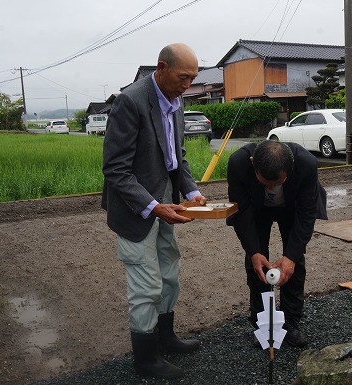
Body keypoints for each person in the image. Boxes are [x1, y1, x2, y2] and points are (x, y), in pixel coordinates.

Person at [102, 43, 205, 379]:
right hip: (137, 208)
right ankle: (145, 358)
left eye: (193, 78)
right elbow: (115, 169)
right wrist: (153, 206)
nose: (187, 84)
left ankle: (166, 337)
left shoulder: (175, 101)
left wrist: (191, 190)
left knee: (169, 271)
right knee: (146, 283)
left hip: (166, 199)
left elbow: (177, 155)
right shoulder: (130, 102)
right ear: (161, 68)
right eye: (183, 77)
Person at [226, 140, 327, 347]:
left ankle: (291, 321)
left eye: (277, 182)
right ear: (253, 163)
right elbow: (241, 212)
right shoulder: (238, 163)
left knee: (294, 263)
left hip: (293, 207)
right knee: (256, 264)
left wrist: (290, 256)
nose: (271, 187)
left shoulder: (306, 163)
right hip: (255, 209)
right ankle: (262, 323)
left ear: (290, 167)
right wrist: (254, 250)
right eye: (265, 182)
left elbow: (307, 212)